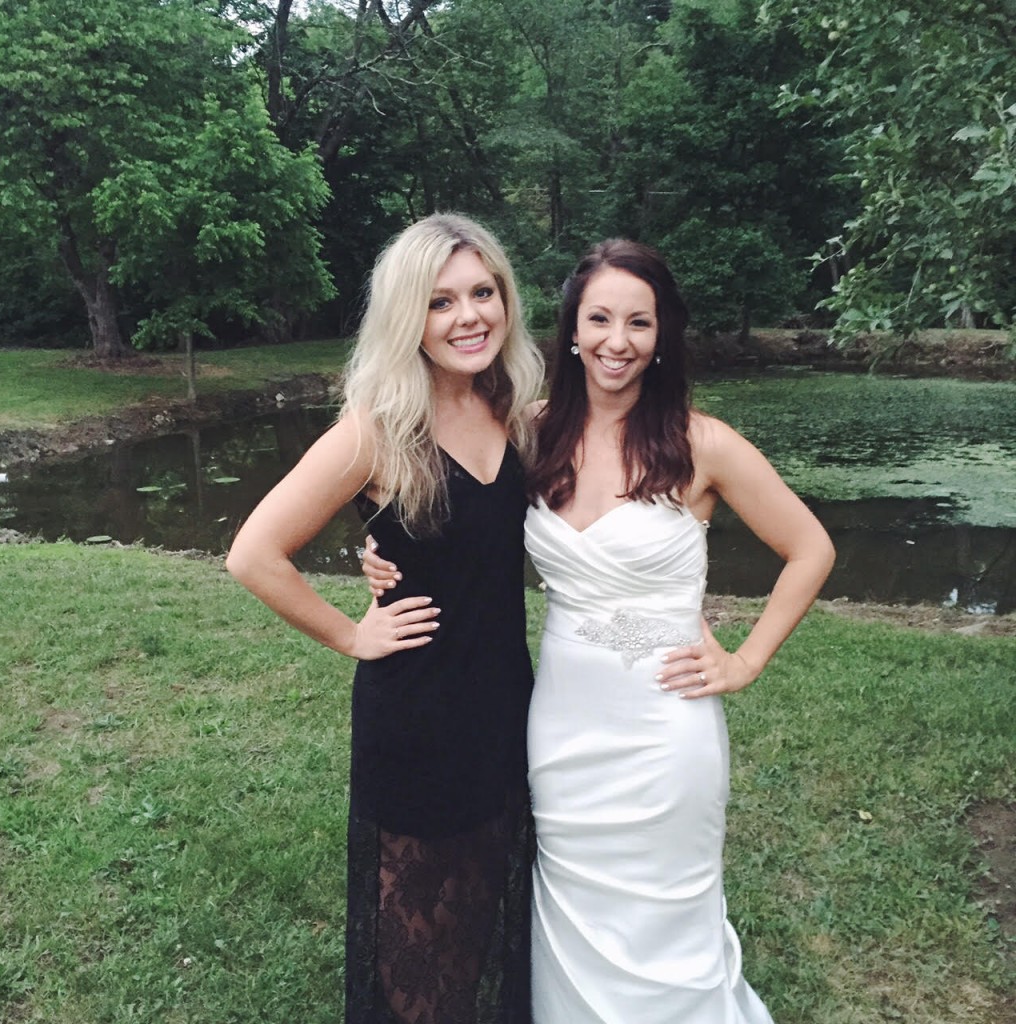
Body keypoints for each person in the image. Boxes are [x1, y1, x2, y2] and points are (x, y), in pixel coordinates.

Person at [364, 238, 836, 1023]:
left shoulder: (702, 443)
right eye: (600, 319)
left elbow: (810, 548)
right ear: (573, 332)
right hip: (562, 722)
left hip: (665, 725)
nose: (619, 341)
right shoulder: (530, 431)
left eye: (639, 323)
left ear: (662, 335)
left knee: (667, 913)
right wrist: (384, 553)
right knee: (571, 905)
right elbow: (451, 508)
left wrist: (747, 659)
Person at [226, 212, 544, 1024]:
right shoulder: (378, 430)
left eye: (483, 293)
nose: (468, 316)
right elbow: (254, 554)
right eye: (440, 302)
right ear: (409, 318)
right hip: (417, 718)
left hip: (505, 707)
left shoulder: (514, 412)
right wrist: (351, 633)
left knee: (482, 917)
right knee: (418, 955)